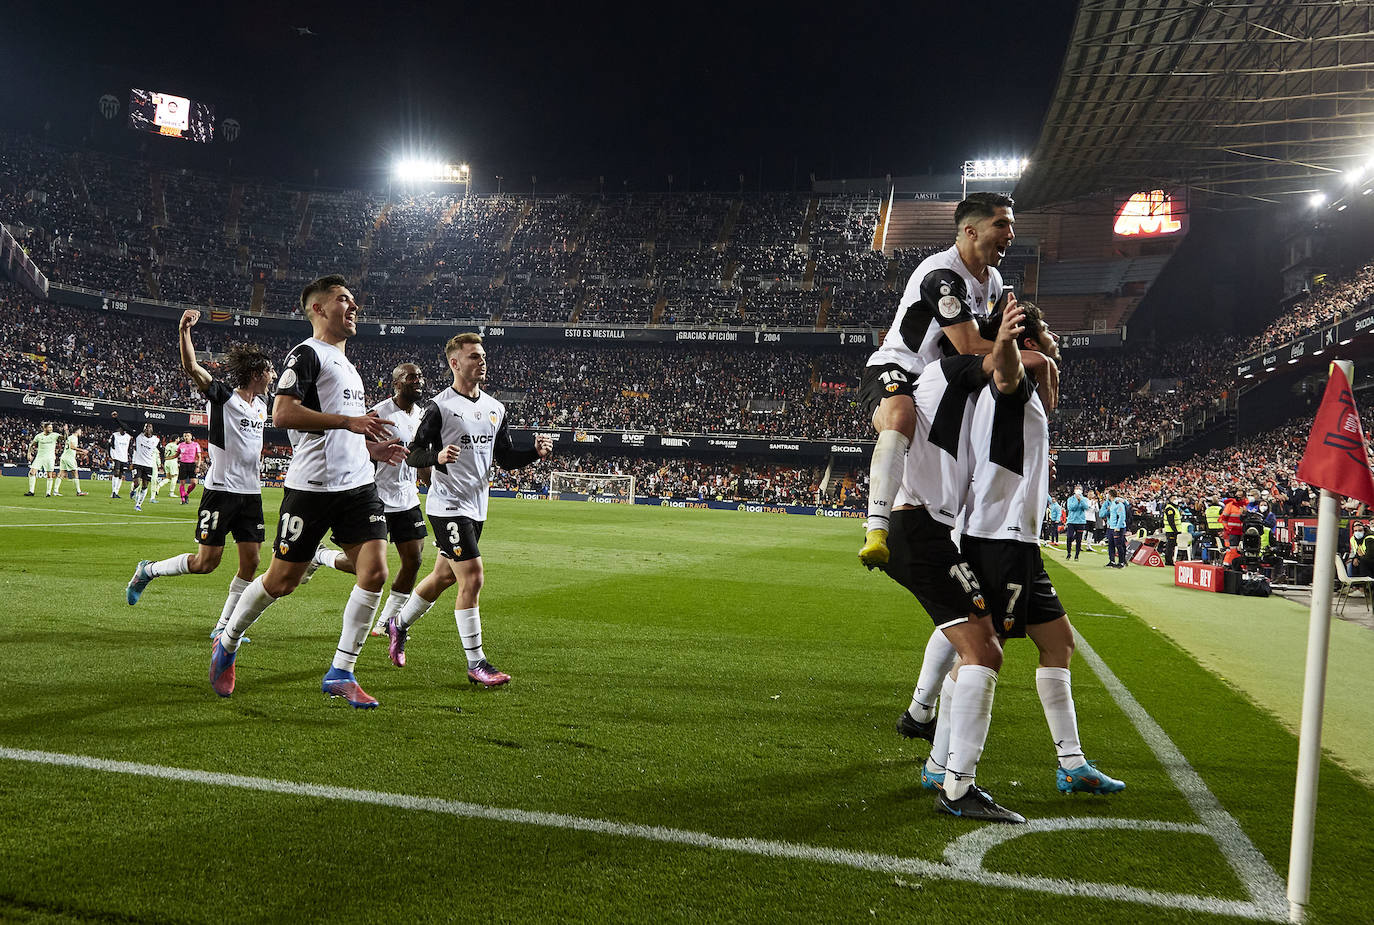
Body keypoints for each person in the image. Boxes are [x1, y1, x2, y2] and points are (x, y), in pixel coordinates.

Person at [927, 302, 1124, 802]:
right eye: (1048, 334)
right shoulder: (1009, 384)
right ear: (1029, 341)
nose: (1056, 339)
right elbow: (1009, 375)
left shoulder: (1028, 387)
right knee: (979, 654)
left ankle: (1072, 764)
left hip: (1018, 541)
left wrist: (1037, 362)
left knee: (1058, 644)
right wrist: (1010, 343)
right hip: (999, 539)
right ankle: (943, 769)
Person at [210, 275, 407, 707]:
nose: (353, 306)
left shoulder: (349, 366)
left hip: (357, 485)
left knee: (374, 572)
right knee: (282, 581)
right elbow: (281, 414)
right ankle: (227, 642)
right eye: (343, 300)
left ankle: (341, 671)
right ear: (318, 308)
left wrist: (373, 448)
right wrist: (349, 422)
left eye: (354, 300)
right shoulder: (307, 354)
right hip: (312, 489)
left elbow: (343, 434)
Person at [879, 304, 1029, 823]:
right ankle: (958, 788)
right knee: (985, 653)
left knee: (979, 644)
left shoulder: (957, 390)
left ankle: (940, 760)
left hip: (931, 530)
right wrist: (1007, 344)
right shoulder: (950, 368)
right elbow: (995, 366)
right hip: (919, 530)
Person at [857, 193, 1056, 567]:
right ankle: (877, 529)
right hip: (900, 369)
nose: (1011, 233)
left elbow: (989, 349)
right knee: (900, 417)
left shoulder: (994, 281)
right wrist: (1036, 359)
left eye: (1011, 224)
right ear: (970, 230)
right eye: (1001, 224)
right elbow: (969, 343)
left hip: (946, 383)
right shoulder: (942, 276)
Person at [383, 333, 553, 687]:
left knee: (444, 576)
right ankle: (477, 664)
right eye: (474, 356)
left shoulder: (495, 407)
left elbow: (504, 458)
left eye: (483, 355)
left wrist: (534, 453)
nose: (481, 361)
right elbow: (414, 453)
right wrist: (437, 456)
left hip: (477, 508)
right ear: (455, 363)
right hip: (448, 505)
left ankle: (397, 624)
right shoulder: (439, 407)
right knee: (472, 577)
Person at [126, 311, 276, 641]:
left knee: (251, 562)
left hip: (251, 494)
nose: (274, 374)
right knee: (206, 562)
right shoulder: (225, 397)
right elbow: (192, 369)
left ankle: (225, 625)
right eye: (269, 370)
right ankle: (148, 570)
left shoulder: (262, 406)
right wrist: (183, 331)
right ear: (256, 373)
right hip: (221, 491)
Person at [308, 363, 434, 639]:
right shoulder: (379, 412)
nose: (419, 381)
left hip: (406, 497)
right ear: (397, 383)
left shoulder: (423, 416)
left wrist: (426, 472)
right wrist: (372, 453)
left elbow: (419, 453)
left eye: (420, 376)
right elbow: (348, 442)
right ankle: (322, 556)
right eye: (412, 377)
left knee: (413, 560)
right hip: (375, 496)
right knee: (364, 567)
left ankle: (388, 622)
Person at [130, 423, 160, 512]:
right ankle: (133, 490)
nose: (148, 428)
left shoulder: (156, 440)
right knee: (137, 483)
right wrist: (116, 419)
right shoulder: (138, 436)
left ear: (152, 429)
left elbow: (161, 451)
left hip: (148, 465)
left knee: (145, 486)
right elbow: (126, 428)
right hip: (138, 463)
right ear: (143, 429)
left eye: (150, 427)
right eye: (146, 427)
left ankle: (138, 505)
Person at [26, 422, 61, 497]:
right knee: (32, 472)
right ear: (44, 428)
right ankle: (31, 491)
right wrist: (29, 453)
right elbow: (32, 445)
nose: (51, 429)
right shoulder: (39, 436)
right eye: (49, 427)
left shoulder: (55, 435)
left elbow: (64, 438)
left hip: (50, 457)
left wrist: (66, 431)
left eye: (51, 427)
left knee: (49, 475)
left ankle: (48, 493)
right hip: (40, 457)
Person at [54, 425, 88, 496]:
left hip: (64, 457)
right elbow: (72, 447)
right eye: (80, 431)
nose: (81, 432)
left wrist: (81, 453)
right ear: (77, 431)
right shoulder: (74, 438)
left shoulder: (70, 437)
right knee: (75, 473)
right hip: (69, 458)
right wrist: (82, 450)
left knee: (61, 474)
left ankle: (55, 491)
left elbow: (70, 449)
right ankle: (78, 492)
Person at [1104, 489, 1128, 568]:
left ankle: (1121, 562)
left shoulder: (1118, 503)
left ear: (1110, 495)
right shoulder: (1113, 503)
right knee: (1111, 545)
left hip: (1118, 528)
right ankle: (1112, 561)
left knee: (1119, 545)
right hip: (1111, 527)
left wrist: (1117, 527)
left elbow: (1122, 516)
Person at [176, 432, 202, 504]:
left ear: (191, 436)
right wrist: (177, 463)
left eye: (188, 435)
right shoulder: (180, 445)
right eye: (185, 436)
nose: (186, 437)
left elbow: (199, 456)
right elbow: (177, 455)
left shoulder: (196, 444)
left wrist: (198, 466)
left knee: (194, 483)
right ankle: (183, 499)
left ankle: (186, 494)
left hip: (192, 465)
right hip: (183, 465)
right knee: (182, 483)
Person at [1064, 485, 1088, 560]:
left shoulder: (1084, 499)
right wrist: (1077, 502)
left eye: (1080, 489)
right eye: (1077, 489)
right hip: (1071, 521)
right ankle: (1069, 553)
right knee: (1069, 537)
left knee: (1079, 539)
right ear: (1074, 490)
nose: (1078, 490)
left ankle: (1077, 555)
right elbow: (1071, 508)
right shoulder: (1070, 499)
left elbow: (1086, 507)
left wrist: (1080, 500)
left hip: (1080, 521)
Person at [109, 423, 132, 499]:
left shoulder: (128, 437)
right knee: (116, 472)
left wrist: (130, 457)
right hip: (117, 457)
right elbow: (110, 445)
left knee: (120, 475)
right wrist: (111, 456)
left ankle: (116, 492)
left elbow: (129, 448)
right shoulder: (115, 435)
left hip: (124, 458)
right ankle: (113, 492)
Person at [1162, 495, 1184, 565]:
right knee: (1170, 546)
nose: (1175, 500)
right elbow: (1171, 521)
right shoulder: (1170, 509)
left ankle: (1169, 559)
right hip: (1171, 531)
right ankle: (1168, 561)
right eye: (1174, 498)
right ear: (1170, 500)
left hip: (1174, 530)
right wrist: (1175, 530)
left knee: (1172, 546)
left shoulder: (1174, 508)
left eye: (1176, 498)